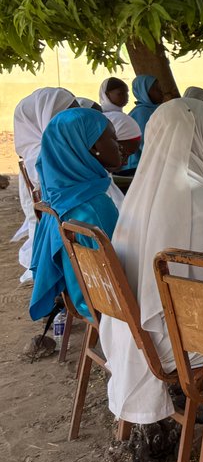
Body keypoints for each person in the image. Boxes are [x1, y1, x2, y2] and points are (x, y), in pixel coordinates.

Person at [99, 98, 203, 424]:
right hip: (177, 342)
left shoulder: (143, 191)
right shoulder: (199, 195)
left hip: (136, 335)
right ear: (195, 136)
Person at [28, 109, 124, 324]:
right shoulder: (94, 206)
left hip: (86, 300)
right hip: (113, 308)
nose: (120, 146)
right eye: (113, 139)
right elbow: (124, 267)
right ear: (93, 147)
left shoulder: (58, 199)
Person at [12, 87, 77, 283]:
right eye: (70, 113)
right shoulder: (45, 155)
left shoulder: (36, 151)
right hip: (67, 227)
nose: (77, 118)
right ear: (47, 117)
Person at [127, 74, 167, 168]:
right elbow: (146, 143)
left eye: (160, 88)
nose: (161, 92)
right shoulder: (142, 112)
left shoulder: (157, 109)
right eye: (156, 89)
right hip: (138, 165)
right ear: (144, 92)